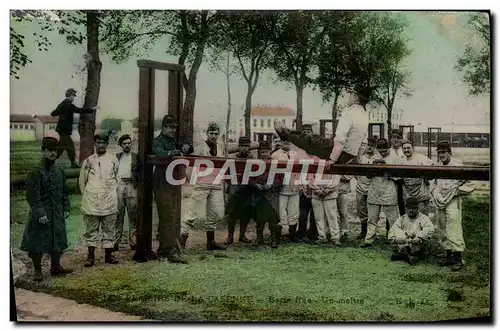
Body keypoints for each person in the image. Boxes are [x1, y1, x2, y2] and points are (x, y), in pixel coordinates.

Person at [20, 137, 73, 281]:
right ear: (43, 151)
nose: (52, 153)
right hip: (41, 214)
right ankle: (37, 271)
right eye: (49, 150)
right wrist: (40, 214)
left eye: (55, 151)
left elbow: (64, 192)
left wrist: (66, 208)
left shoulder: (59, 171)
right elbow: (32, 196)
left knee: (57, 240)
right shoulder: (35, 171)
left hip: (56, 212)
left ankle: (56, 267)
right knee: (37, 242)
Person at [152, 115, 193, 263]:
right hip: (161, 183)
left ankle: (163, 249)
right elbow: (159, 153)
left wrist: (186, 148)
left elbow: (184, 149)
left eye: (175, 128)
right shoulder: (158, 141)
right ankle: (171, 251)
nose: (173, 130)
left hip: (172, 183)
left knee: (170, 216)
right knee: (168, 217)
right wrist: (172, 153)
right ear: (163, 127)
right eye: (170, 127)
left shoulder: (172, 141)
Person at [181, 122, 227, 251]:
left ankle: (210, 242)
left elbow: (223, 163)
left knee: (216, 214)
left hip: (216, 183)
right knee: (193, 215)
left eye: (216, 133)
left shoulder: (221, 147)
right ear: (207, 134)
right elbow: (189, 166)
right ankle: (181, 243)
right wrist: (196, 179)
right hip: (202, 184)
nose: (214, 136)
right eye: (211, 133)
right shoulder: (200, 148)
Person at [431, 141, 475, 271]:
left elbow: (471, 184)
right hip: (440, 201)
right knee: (441, 227)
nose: (441, 155)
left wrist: (458, 191)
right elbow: (432, 183)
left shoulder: (458, 166)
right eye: (439, 152)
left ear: (449, 152)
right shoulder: (437, 166)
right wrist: (435, 192)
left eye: (444, 152)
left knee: (453, 227)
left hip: (453, 201)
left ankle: (458, 259)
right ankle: (448, 255)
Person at [79, 133, 120, 267]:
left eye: (103, 143)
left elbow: (117, 178)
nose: (101, 145)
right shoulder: (89, 161)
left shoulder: (113, 160)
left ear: (107, 144)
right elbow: (82, 182)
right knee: (91, 229)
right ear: (94, 144)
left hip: (109, 200)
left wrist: (112, 194)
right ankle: (90, 256)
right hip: (92, 200)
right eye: (98, 143)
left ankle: (109, 255)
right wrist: (88, 195)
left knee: (109, 228)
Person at [361, 138, 404, 248]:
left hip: (389, 189)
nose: (383, 153)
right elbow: (367, 175)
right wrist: (374, 167)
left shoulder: (395, 158)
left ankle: (394, 239)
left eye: (385, 151)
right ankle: (369, 239)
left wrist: (386, 168)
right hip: (374, 189)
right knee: (372, 217)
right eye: (381, 151)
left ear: (389, 148)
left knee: (393, 218)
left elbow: (399, 176)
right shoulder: (373, 156)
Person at [248, 140, 283, 248]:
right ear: (259, 153)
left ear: (270, 152)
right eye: (262, 152)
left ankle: (274, 239)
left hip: (272, 195)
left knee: (273, 218)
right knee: (260, 218)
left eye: (266, 152)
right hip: (259, 195)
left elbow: (280, 178)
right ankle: (259, 238)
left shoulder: (275, 163)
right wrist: (255, 185)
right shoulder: (256, 164)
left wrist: (272, 185)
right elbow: (250, 178)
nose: (264, 154)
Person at [50, 88, 98, 168]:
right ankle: (72, 163)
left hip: (61, 129)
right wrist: (92, 109)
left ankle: (51, 161)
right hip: (65, 130)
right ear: (70, 96)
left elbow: (53, 113)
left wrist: (59, 113)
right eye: (73, 96)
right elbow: (80, 110)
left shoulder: (62, 104)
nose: (73, 98)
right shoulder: (69, 105)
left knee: (61, 148)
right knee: (69, 146)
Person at [388, 198, 435, 265]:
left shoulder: (423, 218)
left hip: (417, 243)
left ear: (417, 208)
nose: (411, 210)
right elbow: (393, 230)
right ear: (406, 208)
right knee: (397, 231)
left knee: (423, 232)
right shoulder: (402, 218)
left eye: (413, 208)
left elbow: (430, 229)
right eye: (409, 208)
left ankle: (410, 255)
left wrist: (419, 237)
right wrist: (396, 239)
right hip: (405, 243)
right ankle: (405, 254)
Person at [224, 136, 253, 245]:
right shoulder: (232, 159)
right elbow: (226, 174)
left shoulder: (252, 159)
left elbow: (255, 174)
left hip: (247, 189)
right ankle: (230, 236)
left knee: (245, 213)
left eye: (246, 146)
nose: (244, 148)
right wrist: (232, 184)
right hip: (235, 189)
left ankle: (242, 235)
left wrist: (250, 184)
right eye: (242, 146)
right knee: (232, 213)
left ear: (249, 147)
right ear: (239, 146)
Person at [114, 134, 139, 251]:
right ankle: (115, 241)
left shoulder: (136, 157)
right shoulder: (116, 157)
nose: (127, 145)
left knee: (133, 214)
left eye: (129, 143)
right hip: (119, 185)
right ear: (120, 145)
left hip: (132, 185)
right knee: (118, 214)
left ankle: (133, 242)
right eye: (124, 144)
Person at [272, 140, 301, 241]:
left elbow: (298, 171)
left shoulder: (295, 154)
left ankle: (292, 235)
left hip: (294, 187)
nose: (286, 143)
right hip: (282, 188)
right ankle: (282, 234)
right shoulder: (275, 155)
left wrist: (298, 183)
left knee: (294, 211)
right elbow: (274, 173)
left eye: (288, 141)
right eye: (284, 141)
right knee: (281, 212)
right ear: (280, 141)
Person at [295, 124, 318, 242]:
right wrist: (300, 184)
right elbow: (295, 169)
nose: (307, 134)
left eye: (309, 131)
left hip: (315, 183)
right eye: (305, 132)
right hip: (303, 183)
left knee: (315, 211)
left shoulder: (318, 150)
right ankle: (302, 233)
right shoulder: (298, 151)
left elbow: (320, 167)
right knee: (303, 211)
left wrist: (315, 183)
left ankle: (313, 233)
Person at [309, 167, 342, 246]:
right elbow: (310, 179)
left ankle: (335, 237)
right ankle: (322, 237)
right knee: (318, 217)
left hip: (330, 195)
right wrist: (318, 190)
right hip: (316, 195)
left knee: (332, 216)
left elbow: (336, 180)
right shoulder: (314, 163)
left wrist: (328, 189)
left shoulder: (333, 164)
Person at [401, 140, 434, 215]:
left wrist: (426, 176)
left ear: (413, 148)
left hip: (421, 195)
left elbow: (433, 166)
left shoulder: (421, 158)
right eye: (404, 148)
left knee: (422, 218)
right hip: (408, 194)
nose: (406, 150)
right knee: (410, 219)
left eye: (408, 148)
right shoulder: (401, 160)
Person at [355, 137, 378, 239]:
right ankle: (363, 232)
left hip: (372, 188)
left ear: (375, 147)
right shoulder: (361, 157)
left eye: (372, 146)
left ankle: (372, 233)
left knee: (372, 212)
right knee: (361, 210)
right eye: (369, 145)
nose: (370, 148)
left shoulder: (377, 158)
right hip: (361, 187)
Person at [389, 129, 406, 217]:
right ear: (390, 139)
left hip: (402, 182)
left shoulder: (405, 151)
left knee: (402, 204)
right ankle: (389, 229)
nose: (396, 140)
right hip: (390, 181)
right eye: (393, 137)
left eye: (398, 138)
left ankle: (404, 226)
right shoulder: (387, 152)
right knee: (390, 205)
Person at [337, 175, 352, 240]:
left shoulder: (347, 165)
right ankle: (332, 231)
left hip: (342, 191)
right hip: (330, 191)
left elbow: (349, 176)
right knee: (330, 213)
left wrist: (336, 175)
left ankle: (344, 231)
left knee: (343, 213)